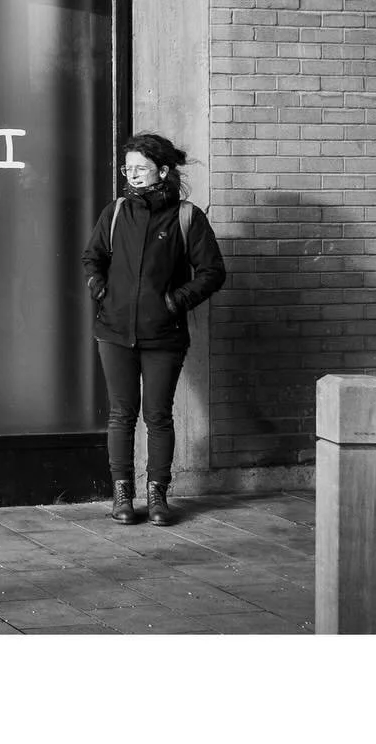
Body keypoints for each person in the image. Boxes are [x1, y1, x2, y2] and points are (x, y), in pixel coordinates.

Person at [81, 133, 226, 525]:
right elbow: (92, 257)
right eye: (128, 168)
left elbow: (213, 273)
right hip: (113, 332)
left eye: (140, 168)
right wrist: (99, 286)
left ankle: (158, 497)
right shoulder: (115, 213)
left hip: (164, 335)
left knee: (158, 416)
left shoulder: (187, 217)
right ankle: (122, 496)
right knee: (121, 414)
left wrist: (174, 301)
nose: (133, 175)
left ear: (162, 171)